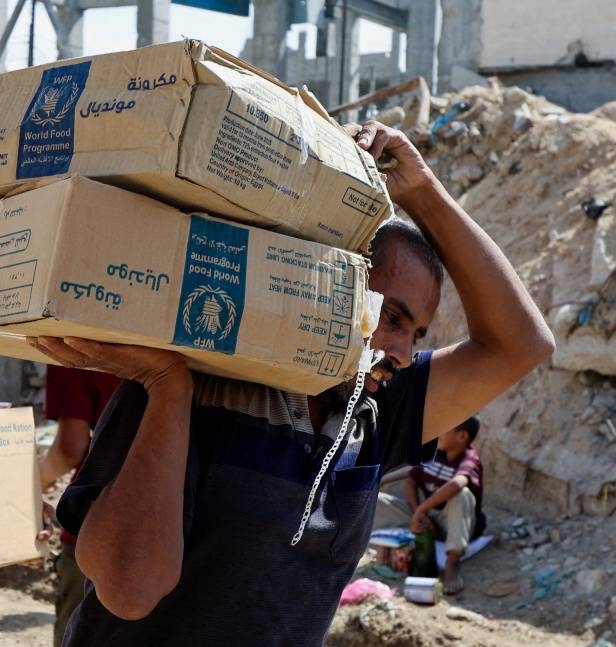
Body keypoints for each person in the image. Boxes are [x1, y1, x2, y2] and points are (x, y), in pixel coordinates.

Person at [30, 120, 555, 646]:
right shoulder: (200, 384)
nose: (402, 351)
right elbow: (129, 590)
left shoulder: (371, 416)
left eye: (417, 334)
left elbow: (523, 345)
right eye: (391, 317)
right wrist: (169, 390)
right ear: (326, 286)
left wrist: (421, 192)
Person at [40, 365, 121, 647]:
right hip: (179, 522)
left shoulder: (69, 336)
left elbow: (69, 448)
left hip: (96, 519)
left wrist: (35, 481)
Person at [376, 415, 485, 594]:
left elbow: (458, 483)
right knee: (376, 501)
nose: (440, 432)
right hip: (428, 518)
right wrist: (381, 479)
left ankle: (451, 564)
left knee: (462, 494)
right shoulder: (437, 453)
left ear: (462, 437)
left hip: (453, 523)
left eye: (446, 428)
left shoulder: (470, 459)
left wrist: (421, 509)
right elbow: (412, 476)